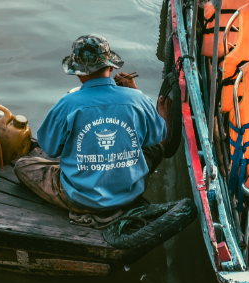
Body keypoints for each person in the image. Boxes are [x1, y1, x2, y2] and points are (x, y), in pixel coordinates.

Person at [14, 35, 173, 214]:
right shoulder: (138, 99)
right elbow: (157, 135)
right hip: (130, 193)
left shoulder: (68, 103)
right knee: (147, 149)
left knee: (23, 166)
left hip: (82, 197)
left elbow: (49, 147)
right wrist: (133, 91)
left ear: (77, 73)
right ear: (111, 66)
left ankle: (86, 198)